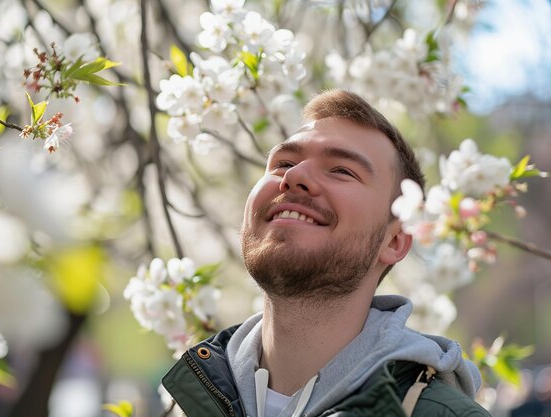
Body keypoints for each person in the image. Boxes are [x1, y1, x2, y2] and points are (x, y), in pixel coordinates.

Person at [161, 89, 491, 417]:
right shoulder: (188, 402)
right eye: (283, 163)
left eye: (341, 170)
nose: (294, 176)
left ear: (394, 242)